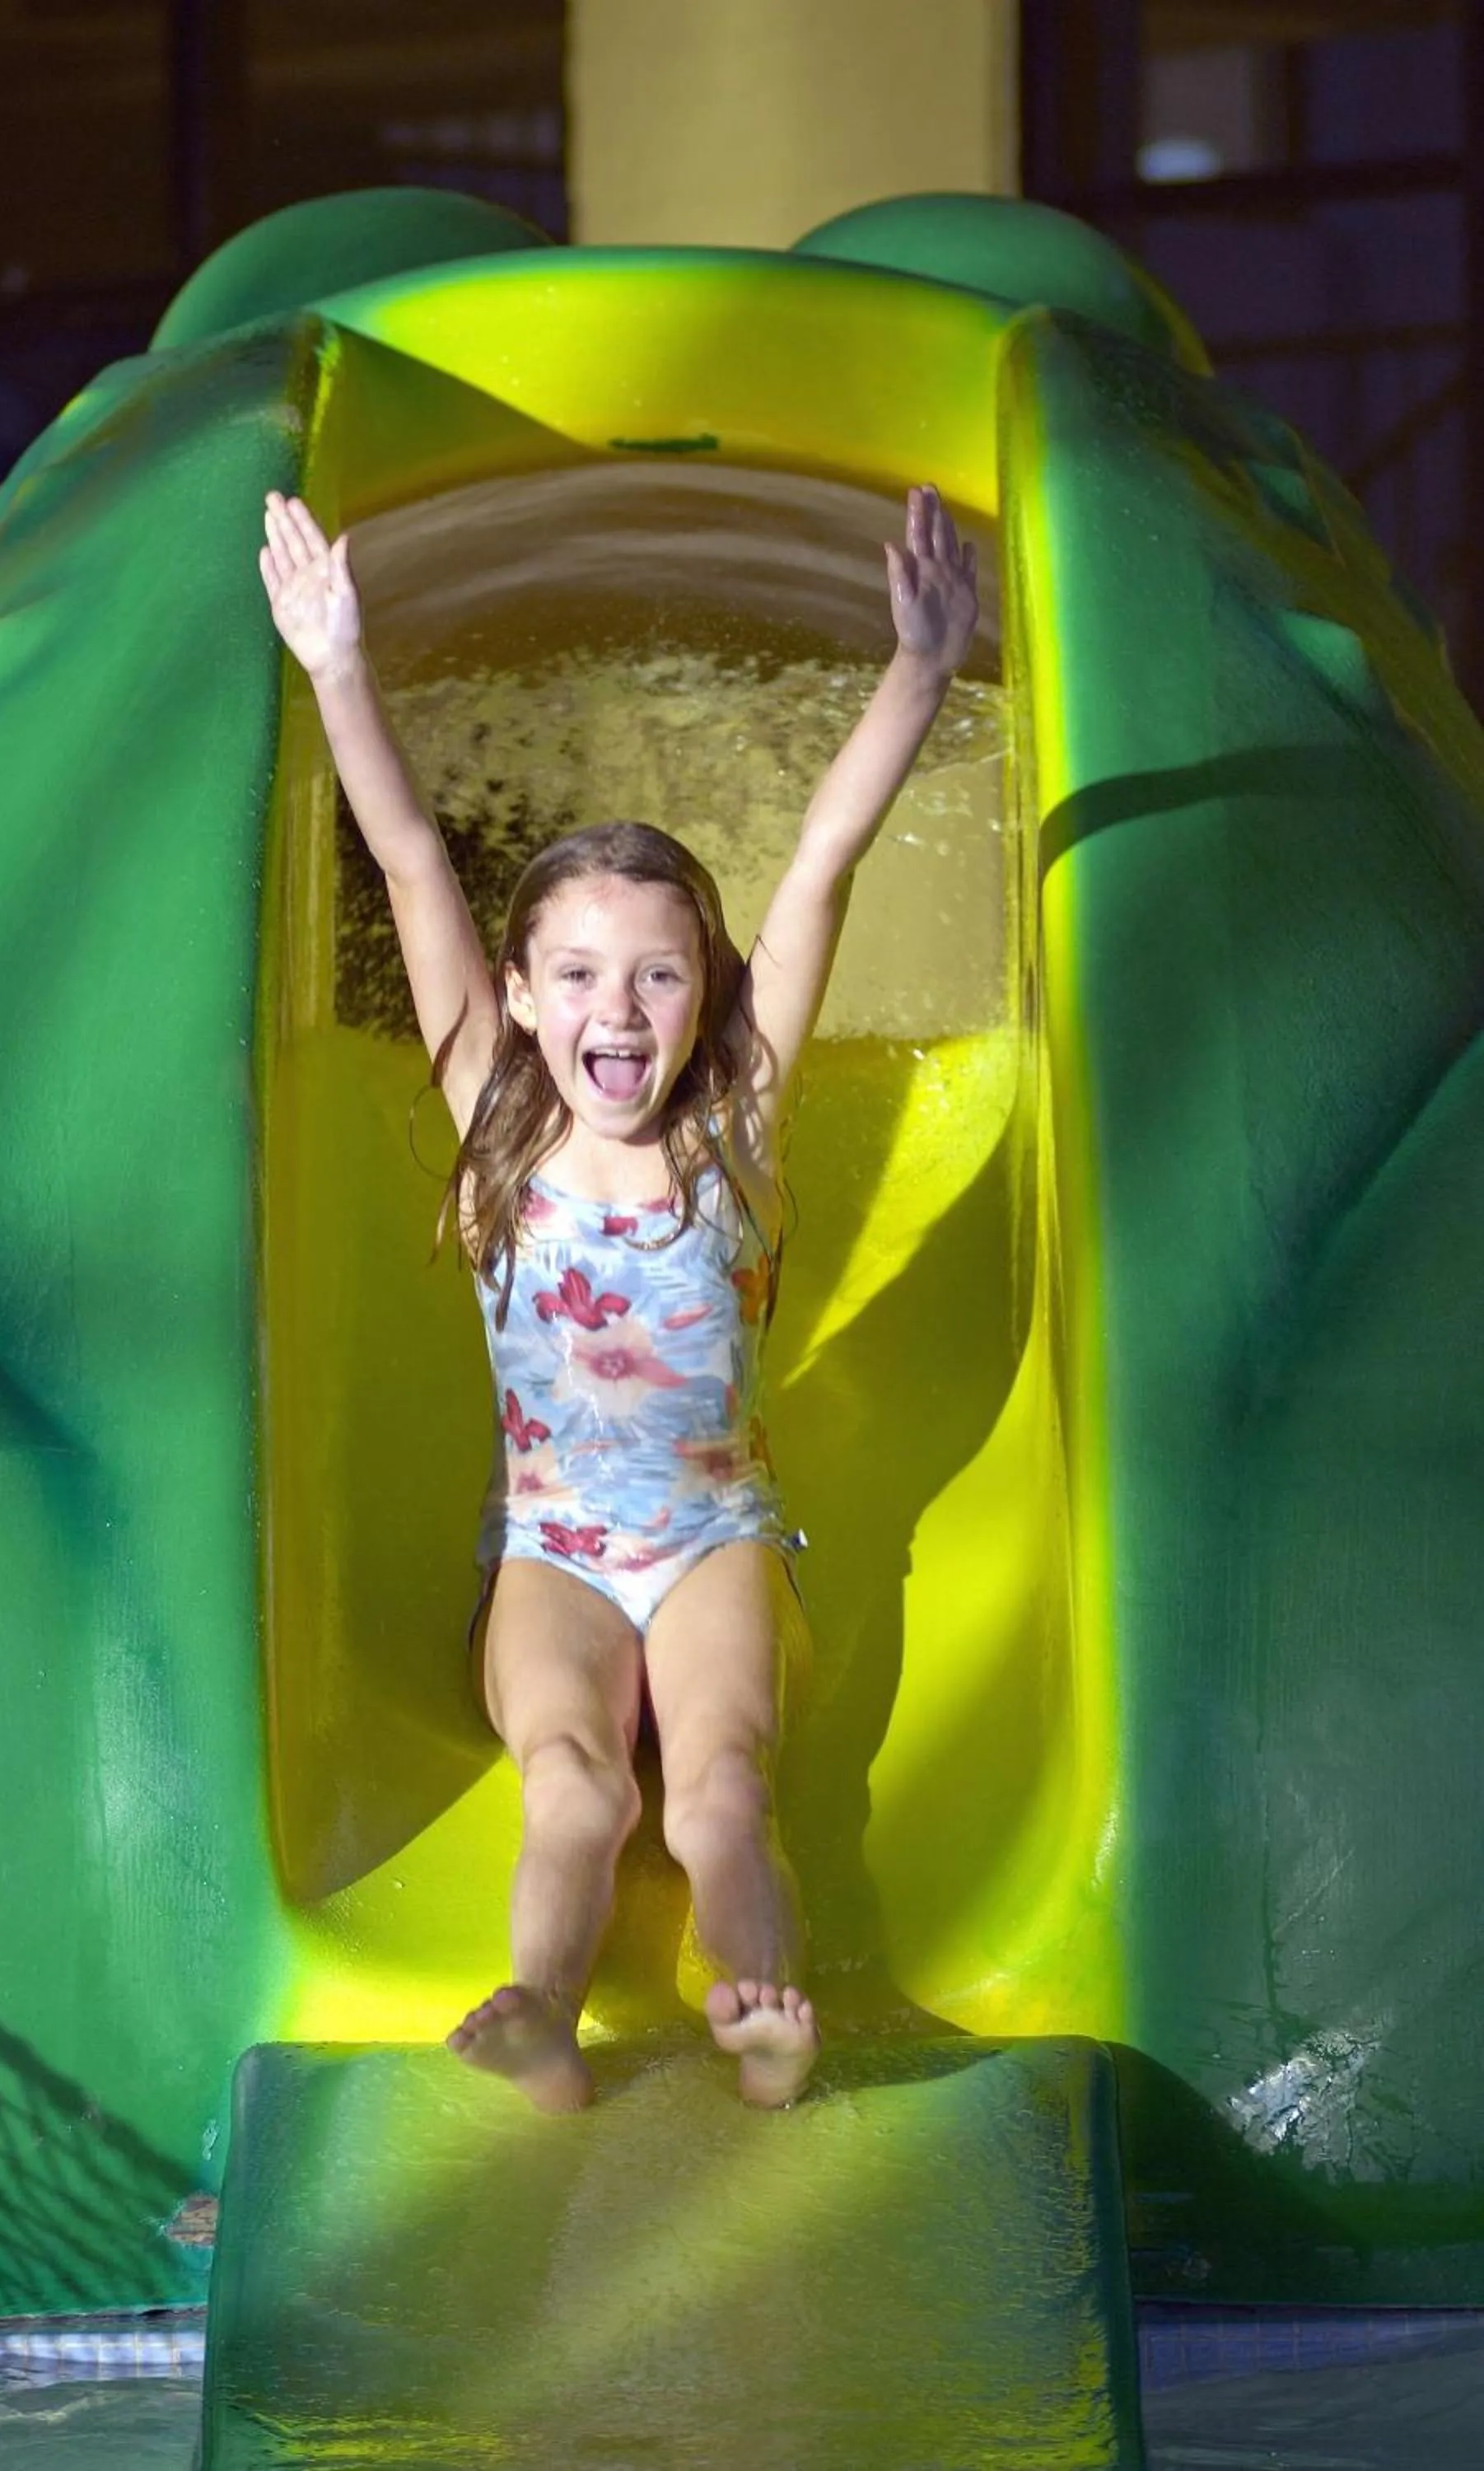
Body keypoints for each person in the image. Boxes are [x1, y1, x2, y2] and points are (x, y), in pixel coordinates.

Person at [259, 480, 978, 2112]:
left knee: (718, 1789)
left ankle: (762, 2008)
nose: (620, 1007)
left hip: (719, 1542)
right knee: (575, 1787)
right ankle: (535, 2008)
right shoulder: (493, 1129)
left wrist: (919, 668)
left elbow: (818, 869)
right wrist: (336, 667)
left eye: (660, 972)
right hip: (552, 1549)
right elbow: (407, 855)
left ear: (704, 994)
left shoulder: (735, 1132)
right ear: (518, 1000)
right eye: (576, 974)